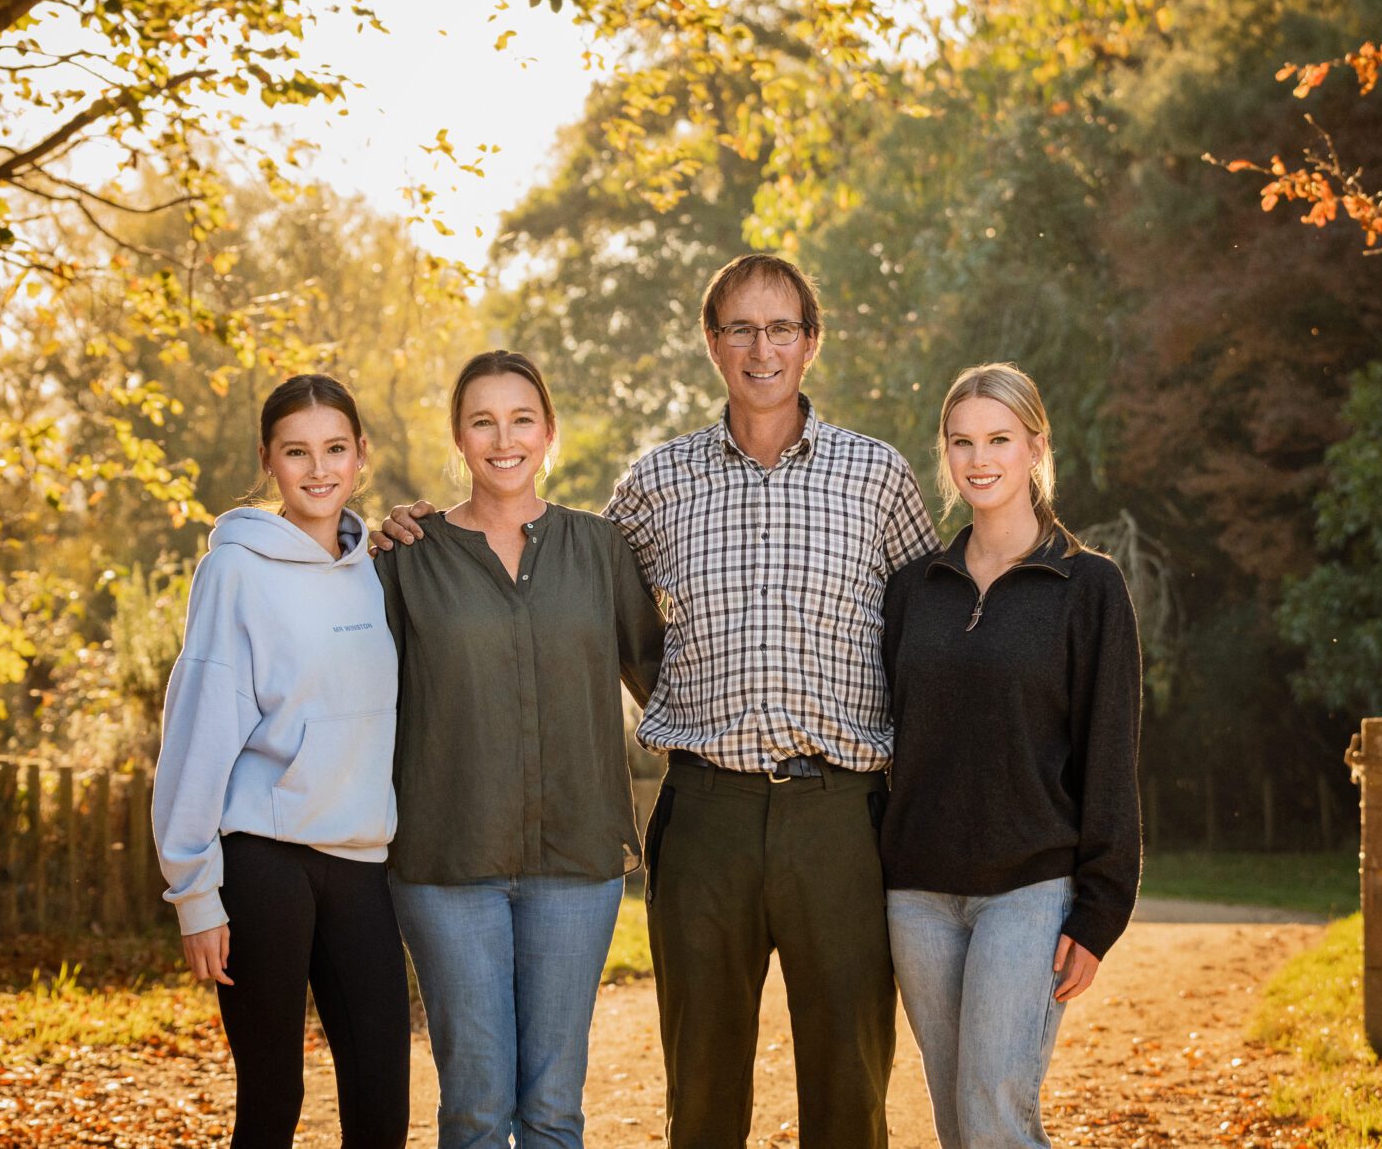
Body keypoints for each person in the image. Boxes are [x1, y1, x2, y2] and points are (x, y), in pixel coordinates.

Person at [383, 255, 936, 1149]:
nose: (762, 349)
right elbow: (582, 611)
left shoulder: (877, 478)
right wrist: (405, 530)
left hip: (842, 815)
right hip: (706, 812)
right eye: (741, 329)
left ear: (811, 342)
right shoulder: (653, 486)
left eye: (781, 328)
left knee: (849, 1081)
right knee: (704, 1089)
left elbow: (927, 639)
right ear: (712, 344)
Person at [375, 350, 665, 1149]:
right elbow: (353, 696)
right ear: (460, 438)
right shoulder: (407, 556)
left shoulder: (601, 551)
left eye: (521, 419)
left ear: (549, 433)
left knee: (551, 1110)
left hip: (576, 862)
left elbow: (667, 686)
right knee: (473, 1108)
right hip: (444, 862)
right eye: (483, 421)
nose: (504, 439)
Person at [878, 363, 1142, 1149]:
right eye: (961, 442)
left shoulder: (1088, 587)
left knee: (996, 1114)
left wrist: (1099, 912)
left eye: (998, 439)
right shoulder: (913, 588)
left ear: (1035, 447)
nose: (979, 459)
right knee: (958, 1122)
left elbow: (1110, 754)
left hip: (1029, 893)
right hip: (916, 896)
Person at [151, 373, 409, 1149]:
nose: (318, 468)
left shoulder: (385, 567)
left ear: (362, 455)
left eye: (335, 448)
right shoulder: (234, 570)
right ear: (268, 460)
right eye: (297, 452)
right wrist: (194, 891)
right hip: (262, 862)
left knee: (380, 1095)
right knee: (272, 1096)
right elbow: (197, 731)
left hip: (361, 860)